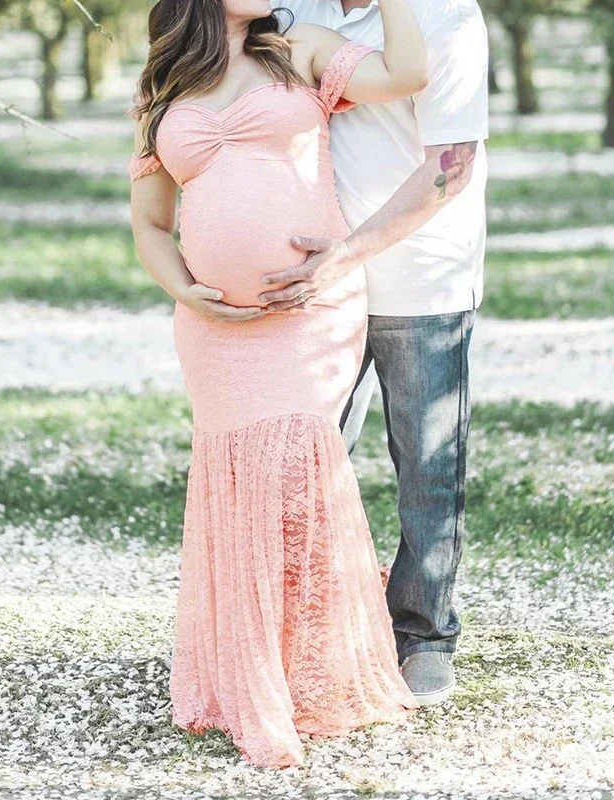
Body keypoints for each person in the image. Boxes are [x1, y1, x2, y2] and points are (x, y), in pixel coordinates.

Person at [129, 0, 428, 768]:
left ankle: (315, 673)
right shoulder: (163, 83)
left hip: (309, 311)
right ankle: (251, 680)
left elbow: (407, 74)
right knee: (238, 488)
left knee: (294, 472)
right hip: (214, 331)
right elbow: (151, 223)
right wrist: (185, 290)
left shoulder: (297, 51)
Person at [258, 0, 490, 706]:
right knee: (297, 455)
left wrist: (348, 255)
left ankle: (424, 636)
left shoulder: (448, 17)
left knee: (426, 464)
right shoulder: (294, 10)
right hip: (315, 282)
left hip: (421, 279)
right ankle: (296, 630)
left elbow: (450, 164)